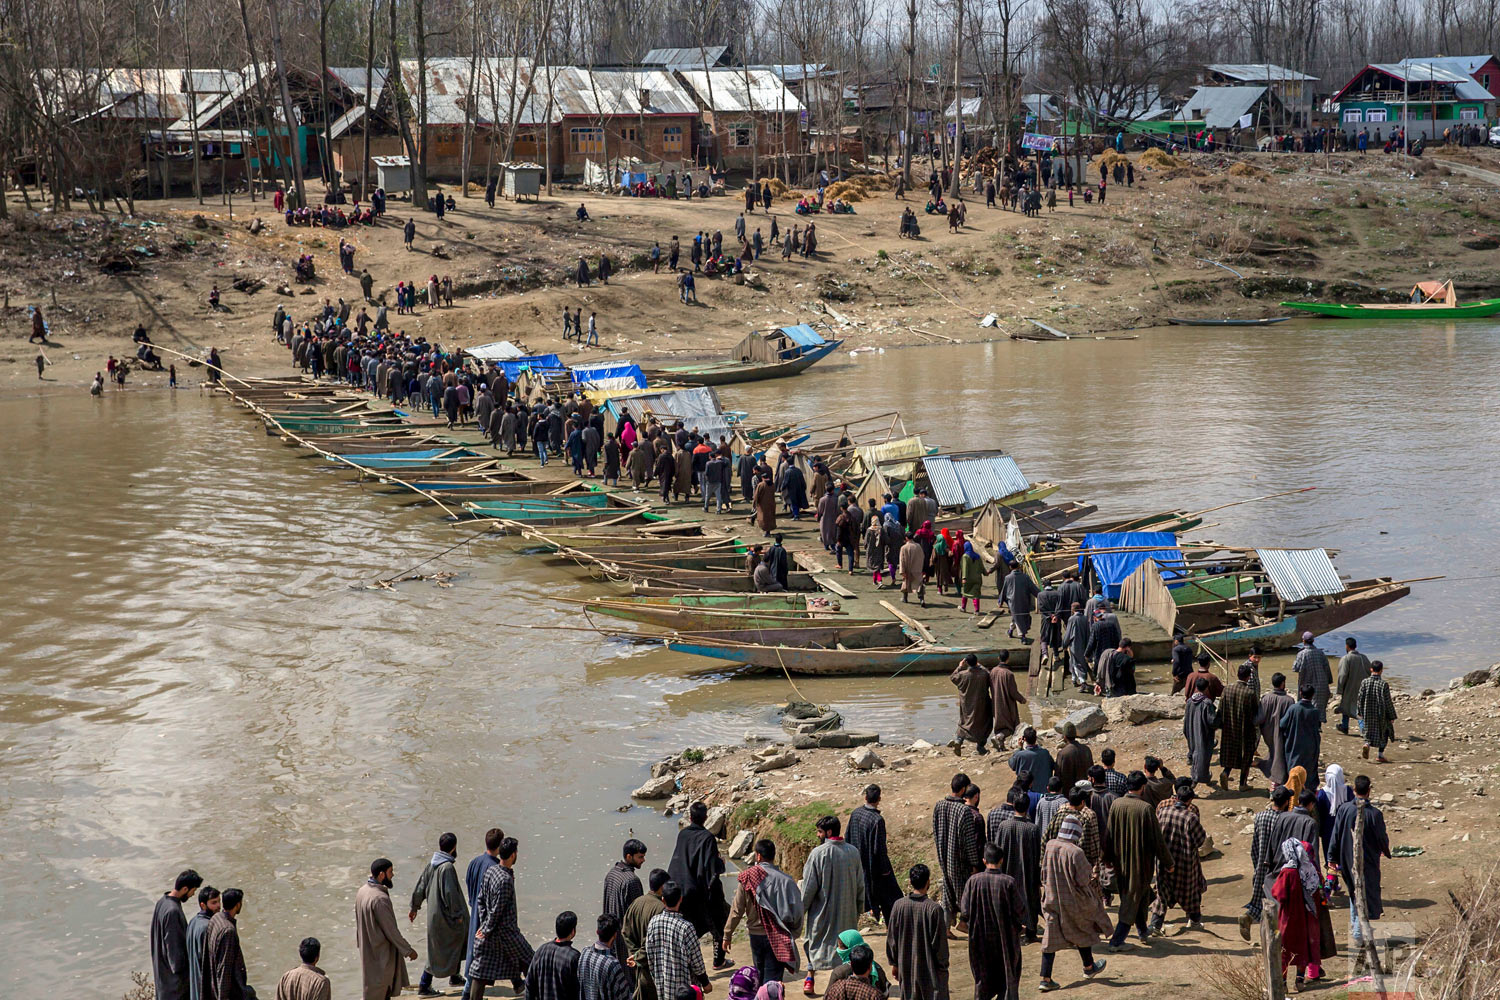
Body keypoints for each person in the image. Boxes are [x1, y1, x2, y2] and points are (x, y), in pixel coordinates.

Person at [1037, 814, 1110, 992]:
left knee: (1050, 938)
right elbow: (1084, 878)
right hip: (1072, 900)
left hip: (1052, 898)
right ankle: (1089, 967)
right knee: (1081, 928)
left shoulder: (1050, 845)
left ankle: (1046, 979)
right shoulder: (1076, 852)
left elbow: (1044, 871)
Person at [1104, 773, 1172, 950]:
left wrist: (1107, 859)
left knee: (1141, 896)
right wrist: (1169, 863)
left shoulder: (1116, 804)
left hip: (1120, 863)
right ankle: (1116, 941)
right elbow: (1157, 841)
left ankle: (1143, 932)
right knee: (1131, 899)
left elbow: (1109, 834)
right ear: (1142, 787)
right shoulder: (1145, 809)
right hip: (1139, 864)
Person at [800, 816, 864, 995]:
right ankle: (844, 984)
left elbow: (808, 888)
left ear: (828, 832)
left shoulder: (817, 854)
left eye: (819, 831)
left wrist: (801, 910)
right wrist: (859, 908)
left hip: (822, 913)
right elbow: (860, 884)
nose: (817, 835)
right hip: (847, 911)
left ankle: (810, 977)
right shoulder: (853, 852)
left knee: (813, 942)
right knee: (845, 948)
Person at [726, 840, 802, 988]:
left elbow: (736, 910)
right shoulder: (786, 881)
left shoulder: (747, 877)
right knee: (773, 982)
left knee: (759, 978)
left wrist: (727, 935)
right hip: (779, 935)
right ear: (774, 856)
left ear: (758, 856)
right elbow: (797, 911)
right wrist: (793, 933)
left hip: (756, 936)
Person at [1330, 774, 1390, 959]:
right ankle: (1358, 933)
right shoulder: (1375, 814)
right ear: (1369, 790)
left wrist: (1332, 857)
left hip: (1347, 859)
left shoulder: (1344, 810)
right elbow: (1381, 838)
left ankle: (1357, 928)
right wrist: (1385, 850)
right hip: (1369, 861)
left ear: (1354, 790)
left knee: (1354, 892)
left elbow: (1336, 833)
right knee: (1363, 894)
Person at [959, 843, 1027, 1000]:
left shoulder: (973, 881)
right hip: (1006, 941)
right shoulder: (1008, 882)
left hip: (980, 940)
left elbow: (965, 911)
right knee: (1008, 978)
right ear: (1001, 860)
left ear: (984, 861)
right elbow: (1020, 910)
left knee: (983, 980)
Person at [668, 802, 730, 969]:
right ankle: (719, 960)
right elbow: (710, 867)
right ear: (705, 818)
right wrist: (720, 864)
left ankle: (688, 963)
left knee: (689, 929)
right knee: (719, 921)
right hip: (702, 891)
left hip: (683, 891)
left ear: (690, 817)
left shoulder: (683, 835)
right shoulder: (707, 837)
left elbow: (679, 861)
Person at [470, 838, 533, 1000]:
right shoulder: (505, 880)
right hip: (507, 932)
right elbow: (498, 911)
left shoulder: (491, 871)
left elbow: (480, 900)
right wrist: (486, 929)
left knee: (481, 971)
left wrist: (484, 924)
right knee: (531, 961)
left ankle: (520, 986)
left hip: (492, 931)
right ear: (513, 855)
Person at [410, 833, 468, 996]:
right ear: (454, 847)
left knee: (451, 946)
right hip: (446, 919)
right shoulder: (447, 867)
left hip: (434, 917)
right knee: (440, 951)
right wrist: (458, 915)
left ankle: (454, 976)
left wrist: (414, 907)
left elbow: (421, 886)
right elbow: (450, 894)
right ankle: (424, 985)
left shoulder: (432, 864)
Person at [885, 865, 949, 1000]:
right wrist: (943, 968)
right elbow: (940, 947)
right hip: (930, 972)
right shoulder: (934, 909)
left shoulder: (898, 906)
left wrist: (895, 964)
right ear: (928, 882)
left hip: (906, 969)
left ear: (910, 882)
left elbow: (892, 940)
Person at [1150, 784, 1206, 934]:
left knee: (1162, 893)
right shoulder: (1190, 817)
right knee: (1190, 893)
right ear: (1190, 801)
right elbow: (1200, 839)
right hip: (1185, 862)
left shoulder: (1163, 811)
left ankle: (1155, 925)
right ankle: (1194, 921)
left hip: (1164, 861)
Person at [1238, 785, 1293, 940]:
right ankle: (1272, 939)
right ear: (1285, 802)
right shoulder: (1285, 820)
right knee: (1275, 905)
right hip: (1277, 868)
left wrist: (1257, 866)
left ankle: (1248, 917)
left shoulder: (1260, 816)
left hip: (1261, 865)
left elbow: (1255, 845)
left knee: (1260, 900)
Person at [358, 859, 418, 1000]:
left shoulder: (362, 891)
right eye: (390, 872)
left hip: (367, 950)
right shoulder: (379, 898)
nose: (393, 875)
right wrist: (408, 951)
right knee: (383, 991)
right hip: (381, 954)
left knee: (373, 990)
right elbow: (391, 931)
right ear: (381, 875)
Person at [1270, 839, 1324, 992]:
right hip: (1307, 918)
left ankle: (1283, 983)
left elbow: (1278, 894)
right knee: (1302, 948)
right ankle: (1299, 980)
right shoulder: (1310, 869)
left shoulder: (1288, 872)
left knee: (1285, 950)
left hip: (1289, 917)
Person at [986, 791, 1041, 940]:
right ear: (1027, 807)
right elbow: (1037, 854)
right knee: (1029, 900)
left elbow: (998, 849)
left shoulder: (1004, 826)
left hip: (1007, 869)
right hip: (1027, 872)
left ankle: (1011, 930)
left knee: (1008, 901)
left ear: (1014, 805)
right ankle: (1030, 932)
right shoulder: (1033, 829)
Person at [645, 882, 711, 1000]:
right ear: (680, 899)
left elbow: (650, 956)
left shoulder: (653, 922)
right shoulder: (686, 927)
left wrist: (656, 976)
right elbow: (697, 962)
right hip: (685, 990)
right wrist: (705, 983)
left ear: (663, 900)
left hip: (663, 987)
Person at [847, 786, 903, 923]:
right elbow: (879, 849)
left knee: (857, 899)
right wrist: (885, 870)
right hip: (875, 868)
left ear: (865, 797)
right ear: (879, 799)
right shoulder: (877, 820)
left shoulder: (855, 813)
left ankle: (850, 926)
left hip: (857, 865)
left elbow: (847, 837)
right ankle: (893, 927)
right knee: (892, 898)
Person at [932, 773, 981, 927]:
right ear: (963, 789)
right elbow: (969, 842)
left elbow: (936, 830)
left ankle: (946, 927)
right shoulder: (964, 811)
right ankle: (966, 923)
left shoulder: (939, 805)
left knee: (947, 890)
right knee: (964, 894)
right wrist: (974, 863)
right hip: (960, 861)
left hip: (943, 857)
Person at [153, 869, 204, 1000]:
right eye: (193, 890)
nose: (193, 895)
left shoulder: (162, 902)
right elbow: (175, 954)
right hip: (174, 987)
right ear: (185, 889)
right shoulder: (173, 911)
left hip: (163, 980)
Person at [624, 870, 670, 1000]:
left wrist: (634, 954)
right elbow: (653, 942)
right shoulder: (661, 908)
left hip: (640, 968)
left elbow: (625, 932)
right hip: (655, 969)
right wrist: (639, 956)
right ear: (662, 887)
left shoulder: (636, 903)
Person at [466, 829, 505, 977]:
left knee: (474, 950)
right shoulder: (495, 868)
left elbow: (469, 885)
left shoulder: (474, 862)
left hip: (475, 910)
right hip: (487, 917)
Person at [604, 840, 647, 967]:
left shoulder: (611, 874)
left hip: (611, 936)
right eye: (640, 857)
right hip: (626, 941)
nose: (643, 860)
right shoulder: (632, 881)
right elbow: (639, 916)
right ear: (629, 856)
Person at [1219, 663, 1260, 790]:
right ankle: (1242, 784)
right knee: (1246, 756)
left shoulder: (1227, 689)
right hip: (1245, 730)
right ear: (1248, 677)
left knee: (1231, 753)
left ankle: (1226, 773)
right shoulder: (1250, 693)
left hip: (1229, 728)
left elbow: (1220, 709)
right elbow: (1255, 713)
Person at [207, 888, 252, 1000]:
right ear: (237, 905)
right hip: (231, 991)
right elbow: (225, 968)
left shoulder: (216, 918)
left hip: (213, 985)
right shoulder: (228, 931)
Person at [526, 912, 581, 1000]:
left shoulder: (541, 950)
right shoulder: (574, 956)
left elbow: (529, 983)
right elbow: (577, 990)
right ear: (573, 931)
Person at [580, 914, 633, 1000]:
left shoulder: (584, 953)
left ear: (597, 931)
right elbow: (625, 996)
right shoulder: (613, 964)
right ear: (615, 935)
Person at [948, 655, 992, 755]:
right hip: (982, 705)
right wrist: (981, 666)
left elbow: (952, 677)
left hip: (967, 704)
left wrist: (959, 667)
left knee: (964, 722)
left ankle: (959, 740)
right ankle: (980, 747)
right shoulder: (983, 674)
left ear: (966, 663)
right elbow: (991, 676)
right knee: (984, 724)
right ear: (977, 662)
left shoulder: (963, 675)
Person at [1280, 686, 1323, 788]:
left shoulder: (1293, 708)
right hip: (1310, 747)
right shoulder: (1315, 711)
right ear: (1313, 695)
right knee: (1308, 772)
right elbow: (1318, 727)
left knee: (1293, 770)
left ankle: (1293, 794)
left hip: (1294, 744)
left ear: (1300, 693)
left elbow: (1282, 724)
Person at [1257, 673, 1296, 784]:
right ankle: (1278, 779)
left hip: (1268, 732)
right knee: (1280, 754)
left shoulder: (1265, 698)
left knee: (1274, 751)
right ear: (1282, 684)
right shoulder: (1289, 701)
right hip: (1282, 733)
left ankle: (1272, 773)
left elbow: (1260, 718)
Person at [1356, 660, 1397, 762]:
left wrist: (1360, 711)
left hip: (1367, 712)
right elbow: (1387, 701)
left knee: (1368, 730)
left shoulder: (1364, 682)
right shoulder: (1383, 684)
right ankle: (1380, 755)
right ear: (1381, 671)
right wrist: (1392, 716)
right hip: (1381, 713)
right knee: (1385, 733)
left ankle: (1366, 744)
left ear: (1371, 669)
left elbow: (1360, 698)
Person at [1183, 677, 1219, 789]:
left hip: (1192, 733)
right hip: (1204, 735)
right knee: (1203, 757)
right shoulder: (1207, 703)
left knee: (1196, 755)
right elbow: (1212, 721)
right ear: (1206, 688)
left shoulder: (1190, 701)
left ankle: (1206, 778)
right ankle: (1195, 780)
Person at [987, 652, 1027, 750]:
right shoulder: (1009, 674)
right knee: (1012, 727)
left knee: (1000, 724)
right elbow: (1013, 692)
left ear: (998, 658)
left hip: (996, 704)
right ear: (1008, 659)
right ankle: (998, 737)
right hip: (1007, 704)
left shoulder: (993, 671)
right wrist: (1022, 699)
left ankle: (1001, 745)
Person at [188, 887, 221, 1000]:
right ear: (203, 905)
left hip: (194, 987)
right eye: (214, 903)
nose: (218, 906)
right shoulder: (207, 927)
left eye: (219, 901)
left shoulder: (193, 922)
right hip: (204, 989)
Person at [1292, 632, 1333, 722]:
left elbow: (1295, 668)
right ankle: (1317, 727)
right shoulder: (1321, 653)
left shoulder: (1301, 654)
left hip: (1307, 686)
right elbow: (1327, 668)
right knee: (1319, 709)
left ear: (1303, 641)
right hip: (1321, 685)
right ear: (1313, 641)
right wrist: (1329, 681)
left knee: (1306, 708)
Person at [1335, 638, 1372, 734]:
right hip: (1363, 688)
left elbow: (1342, 675)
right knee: (1359, 708)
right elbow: (1370, 671)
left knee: (1346, 706)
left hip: (1349, 688)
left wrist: (1339, 689)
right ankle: (1349, 726)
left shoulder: (1346, 658)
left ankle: (1352, 727)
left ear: (1347, 646)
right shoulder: (1363, 658)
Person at [1008, 728, 1055, 793]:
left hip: (1026, 792)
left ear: (1024, 739)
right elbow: (1053, 766)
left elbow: (1011, 764)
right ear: (1036, 738)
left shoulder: (1020, 755)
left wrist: (1019, 748)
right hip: (1044, 791)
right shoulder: (1045, 753)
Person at [999, 567, 1039, 641]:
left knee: (1017, 617)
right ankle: (1022, 636)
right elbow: (1033, 588)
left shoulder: (1008, 578)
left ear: (1010, 567)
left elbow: (1004, 590)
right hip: (1024, 601)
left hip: (1013, 603)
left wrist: (1000, 601)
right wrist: (1041, 596)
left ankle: (1010, 631)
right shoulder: (1025, 577)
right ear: (1018, 567)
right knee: (1020, 619)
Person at [1054, 723, 1093, 790]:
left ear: (1064, 736)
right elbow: (1091, 770)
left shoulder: (1062, 753)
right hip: (1085, 790)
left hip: (1069, 792)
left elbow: (1058, 775)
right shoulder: (1086, 750)